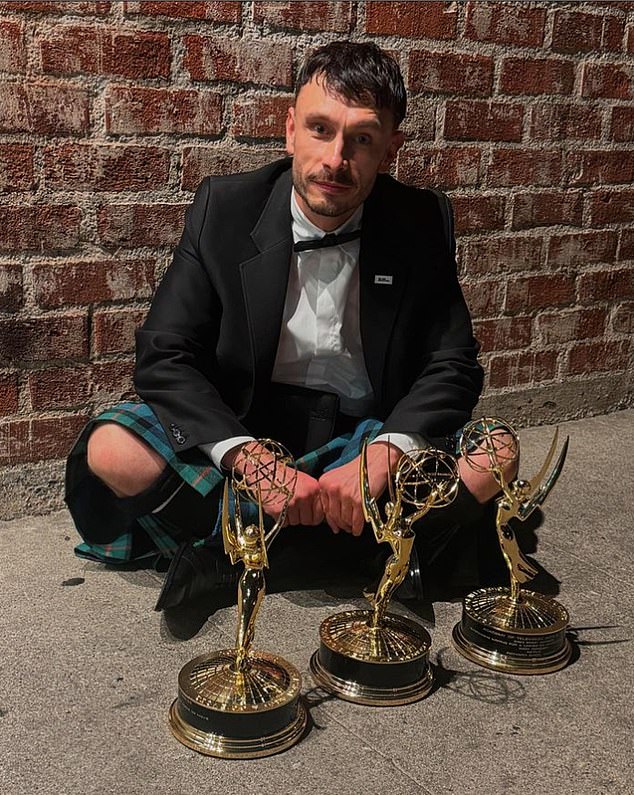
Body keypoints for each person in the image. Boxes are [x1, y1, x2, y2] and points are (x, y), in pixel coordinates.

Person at [65, 41, 507, 619]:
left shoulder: (422, 220)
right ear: (290, 129)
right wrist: (248, 458)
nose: (335, 158)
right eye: (320, 129)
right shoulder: (224, 207)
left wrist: (388, 452)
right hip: (250, 423)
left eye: (363, 139)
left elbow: (453, 364)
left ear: (389, 150)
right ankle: (359, 555)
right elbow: (165, 354)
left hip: (363, 434)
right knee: (113, 448)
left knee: (496, 455)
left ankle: (237, 553)